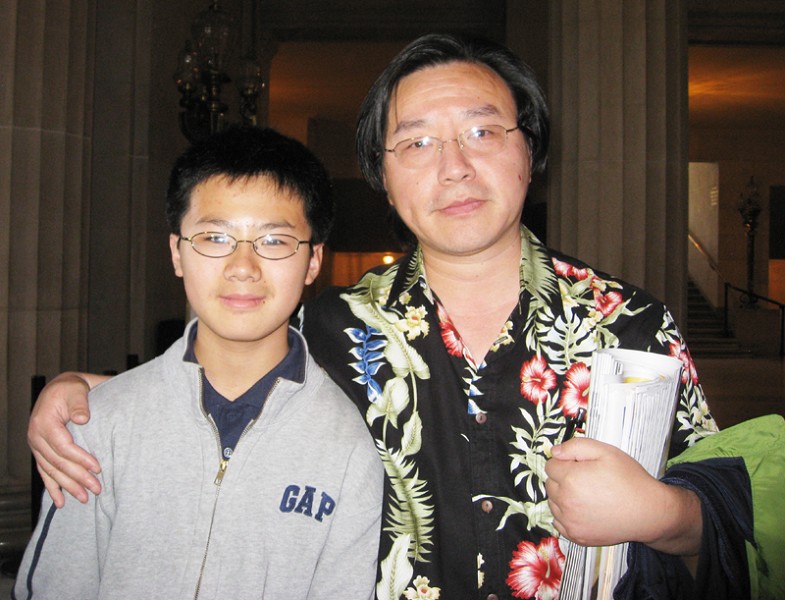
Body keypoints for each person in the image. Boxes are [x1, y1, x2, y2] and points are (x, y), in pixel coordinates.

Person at [28, 35, 733, 599]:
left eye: (482, 131)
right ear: (382, 175)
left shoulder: (633, 326)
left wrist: (666, 515)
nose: (454, 167)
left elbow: (739, 523)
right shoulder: (330, 328)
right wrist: (87, 394)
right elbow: (224, 380)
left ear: (530, 149)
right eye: (417, 143)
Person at [15, 126, 383, 599]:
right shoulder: (102, 425)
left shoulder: (348, 444)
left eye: (274, 241)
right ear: (177, 253)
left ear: (313, 261)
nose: (243, 266)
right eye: (215, 237)